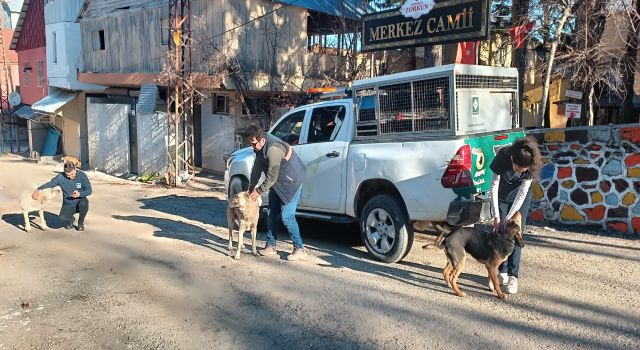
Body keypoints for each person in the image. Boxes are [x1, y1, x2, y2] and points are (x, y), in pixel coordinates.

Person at [246, 124, 308, 261]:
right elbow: (257, 167)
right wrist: (251, 186)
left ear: (261, 139)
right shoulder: (260, 147)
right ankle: (271, 245)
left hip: (292, 181)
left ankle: (300, 248)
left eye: (254, 144)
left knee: (287, 216)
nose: (253, 147)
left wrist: (259, 190)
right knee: (272, 212)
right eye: (251, 144)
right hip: (278, 181)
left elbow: (272, 176)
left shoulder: (274, 149)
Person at [489, 136, 542, 294]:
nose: (519, 173)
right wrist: (497, 217)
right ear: (512, 158)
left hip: (520, 200)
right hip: (501, 195)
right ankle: (502, 272)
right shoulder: (503, 156)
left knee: (515, 234)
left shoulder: (532, 165)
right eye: (516, 169)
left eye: (522, 171)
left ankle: (513, 276)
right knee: (500, 233)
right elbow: (493, 186)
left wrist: (508, 218)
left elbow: (522, 194)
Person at [32, 161, 93, 231]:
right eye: (68, 175)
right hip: (68, 204)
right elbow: (50, 184)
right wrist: (38, 189)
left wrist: (80, 194)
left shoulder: (82, 175)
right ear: (64, 172)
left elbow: (89, 190)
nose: (70, 177)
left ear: (75, 169)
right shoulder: (60, 177)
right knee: (62, 219)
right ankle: (70, 219)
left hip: (80, 202)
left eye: (72, 174)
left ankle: (80, 223)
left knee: (84, 203)